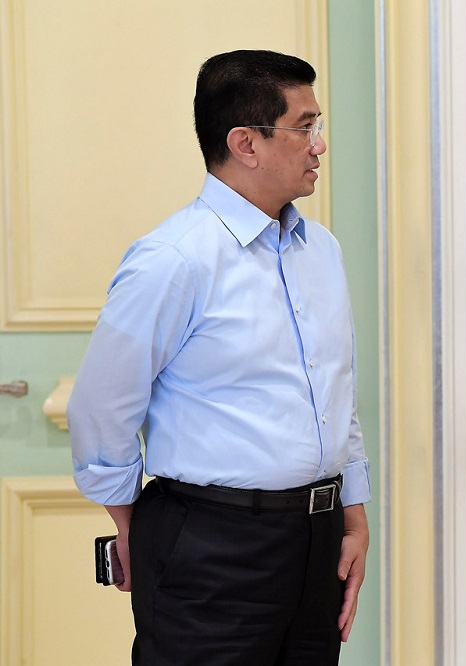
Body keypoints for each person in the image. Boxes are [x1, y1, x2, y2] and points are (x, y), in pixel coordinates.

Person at [67, 49, 370, 665]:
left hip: (317, 538)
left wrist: (353, 516)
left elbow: (335, 392)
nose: (320, 144)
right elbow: (101, 409)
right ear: (245, 143)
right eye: (305, 126)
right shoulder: (173, 259)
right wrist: (130, 524)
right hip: (209, 544)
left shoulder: (322, 252)